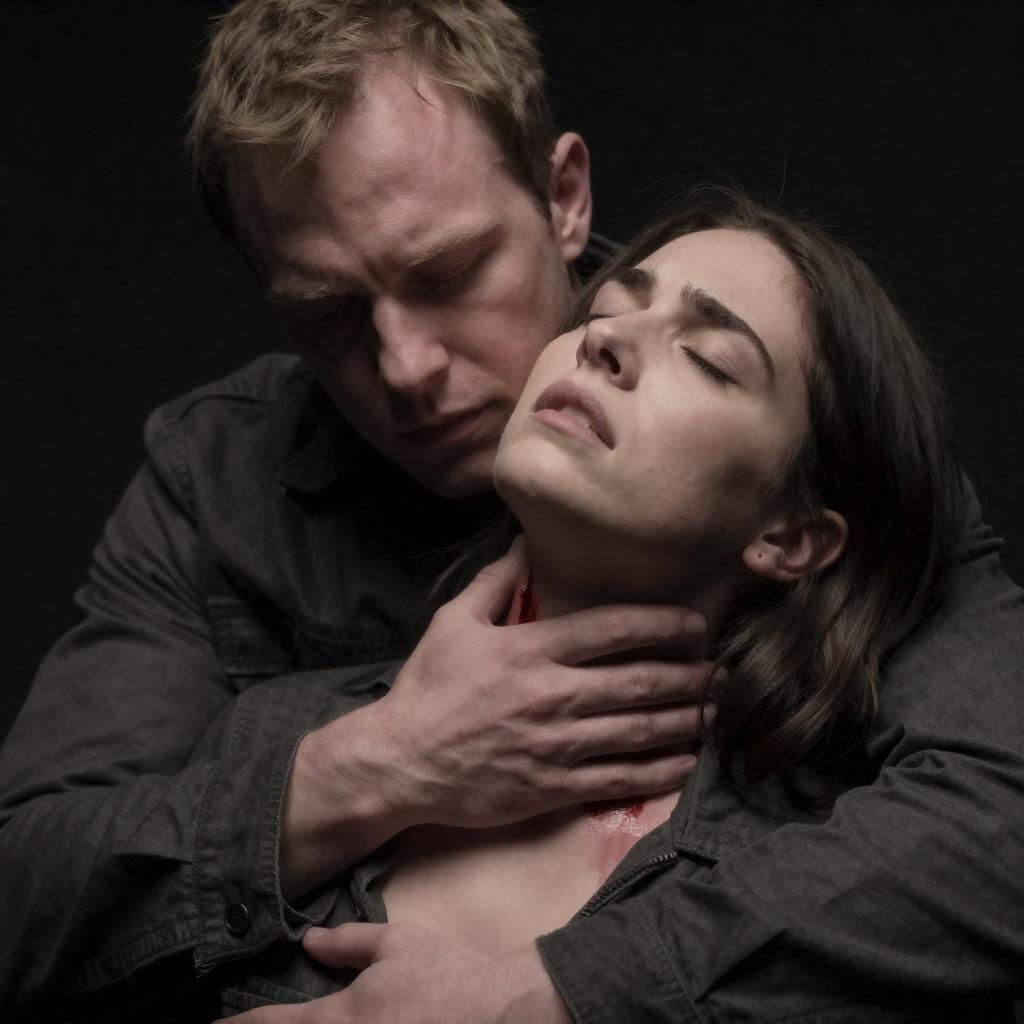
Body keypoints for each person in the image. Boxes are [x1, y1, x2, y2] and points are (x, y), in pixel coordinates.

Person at [0, 1, 1020, 1022]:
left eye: (447, 275)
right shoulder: (219, 490)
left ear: (563, 196)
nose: (406, 367)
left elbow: (1001, 817)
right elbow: (25, 893)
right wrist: (379, 764)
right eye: (327, 311)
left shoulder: (826, 451)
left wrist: (542, 997)